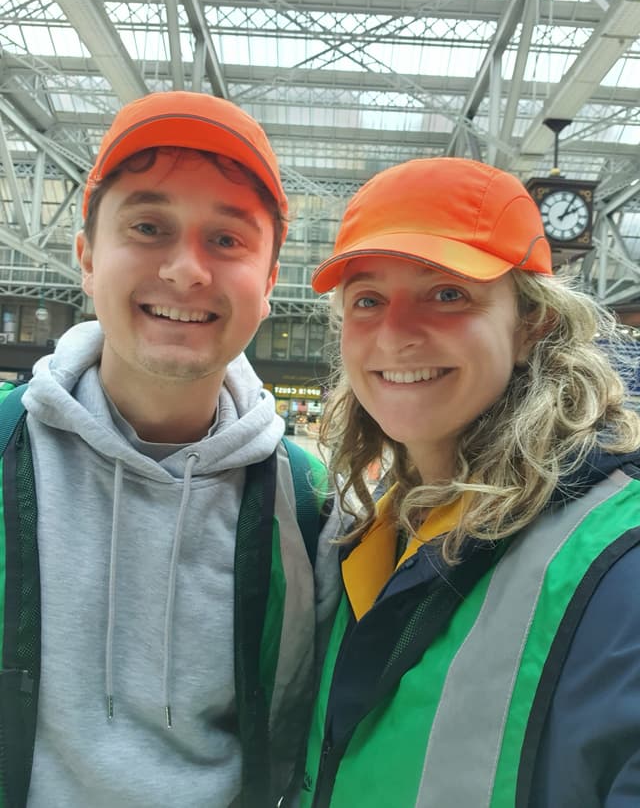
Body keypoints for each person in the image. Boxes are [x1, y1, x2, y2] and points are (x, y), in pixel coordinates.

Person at [0, 91, 338, 808]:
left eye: (227, 239)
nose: (187, 270)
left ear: (271, 280)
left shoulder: (308, 508)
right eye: (149, 226)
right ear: (87, 256)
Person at [301, 157, 640, 807]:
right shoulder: (376, 534)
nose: (395, 334)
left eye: (447, 293)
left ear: (531, 325)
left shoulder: (615, 561)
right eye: (367, 299)